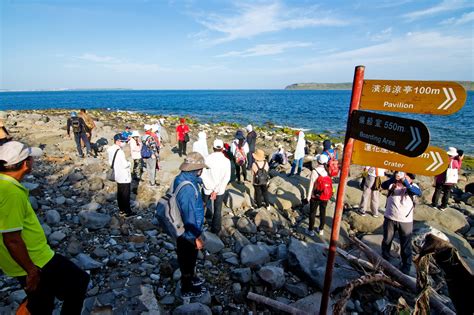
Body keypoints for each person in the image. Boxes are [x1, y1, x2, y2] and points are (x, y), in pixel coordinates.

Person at [0, 141, 90, 314]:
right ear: (25, 164)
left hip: (19, 261)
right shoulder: (10, 192)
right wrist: (32, 271)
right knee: (79, 282)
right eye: (31, 158)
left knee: (42, 301)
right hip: (35, 259)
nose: (33, 160)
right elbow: (11, 239)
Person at [174, 152, 208, 298]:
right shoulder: (188, 188)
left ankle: (191, 278)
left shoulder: (181, 178)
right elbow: (189, 217)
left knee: (188, 259)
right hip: (187, 231)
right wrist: (196, 237)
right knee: (187, 260)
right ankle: (186, 289)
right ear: (197, 169)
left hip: (182, 228)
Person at [381, 171, 421, 275]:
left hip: (405, 220)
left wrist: (405, 182)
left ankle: (406, 266)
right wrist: (394, 179)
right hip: (390, 217)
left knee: (406, 244)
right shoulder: (393, 184)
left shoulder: (413, 186)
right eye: (402, 177)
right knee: (387, 240)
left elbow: (417, 192)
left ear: (411, 179)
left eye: (406, 177)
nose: (402, 179)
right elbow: (383, 185)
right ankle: (385, 257)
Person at [201, 139, 231, 234]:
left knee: (202, 207)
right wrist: (216, 190)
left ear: (213, 148)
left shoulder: (207, 159)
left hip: (207, 188)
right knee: (218, 209)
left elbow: (202, 174)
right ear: (222, 148)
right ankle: (215, 230)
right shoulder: (226, 161)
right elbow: (226, 178)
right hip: (220, 190)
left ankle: (198, 225)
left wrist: (210, 188)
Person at [107, 134, 136, 217]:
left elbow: (110, 162)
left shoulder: (111, 150)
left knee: (120, 193)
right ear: (117, 141)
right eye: (122, 141)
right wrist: (129, 163)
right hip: (124, 175)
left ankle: (121, 210)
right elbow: (124, 164)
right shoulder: (119, 152)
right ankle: (127, 211)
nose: (124, 143)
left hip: (117, 174)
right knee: (125, 194)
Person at [306, 154, 331, 236]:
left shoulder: (315, 171)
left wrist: (308, 197)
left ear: (317, 161)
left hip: (315, 196)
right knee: (323, 212)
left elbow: (311, 185)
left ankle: (310, 230)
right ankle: (321, 229)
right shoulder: (327, 170)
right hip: (325, 195)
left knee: (312, 213)